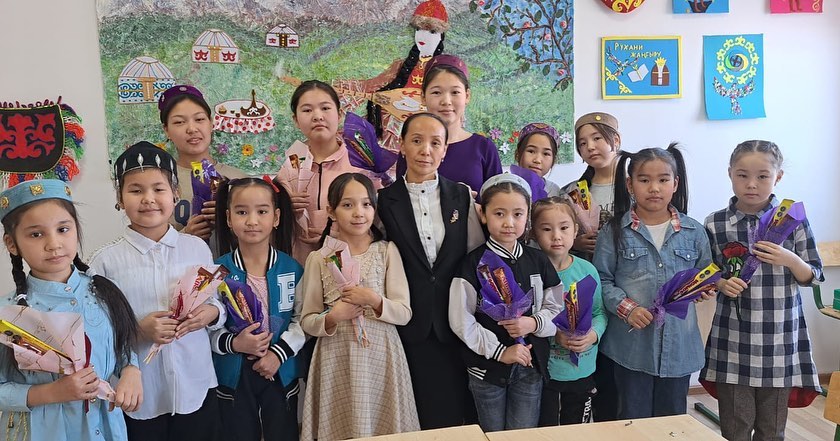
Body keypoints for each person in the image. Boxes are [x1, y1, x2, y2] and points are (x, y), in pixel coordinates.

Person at [90, 142, 226, 441]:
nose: (148, 199)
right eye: (136, 190)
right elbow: (96, 333)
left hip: (195, 384)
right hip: (140, 394)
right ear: (119, 198)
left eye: (158, 189)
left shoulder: (197, 248)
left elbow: (216, 303)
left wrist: (210, 313)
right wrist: (138, 331)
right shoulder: (104, 263)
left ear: (175, 193)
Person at [0, 179, 142, 441]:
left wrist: (131, 370)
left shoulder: (103, 292)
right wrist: (51, 393)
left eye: (63, 229)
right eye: (36, 234)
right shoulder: (7, 314)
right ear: (11, 243)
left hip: (106, 427)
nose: (54, 243)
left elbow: (121, 346)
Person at [701, 140, 823, 441]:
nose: (751, 184)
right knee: (735, 427)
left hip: (780, 340)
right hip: (733, 339)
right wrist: (720, 283)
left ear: (777, 177)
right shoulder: (715, 223)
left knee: (772, 428)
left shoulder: (794, 221)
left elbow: (813, 276)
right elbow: (707, 274)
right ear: (730, 174)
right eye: (742, 175)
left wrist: (790, 259)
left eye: (763, 176)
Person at [378, 112, 484, 429]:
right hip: (408, 321)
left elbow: (475, 255)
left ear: (445, 150)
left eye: (435, 143)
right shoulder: (384, 200)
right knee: (413, 414)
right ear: (402, 145)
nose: (426, 150)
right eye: (416, 141)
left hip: (456, 321)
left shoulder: (461, 196)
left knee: (454, 413)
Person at [592, 145, 714, 420]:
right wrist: (628, 309)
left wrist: (703, 289)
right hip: (631, 349)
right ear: (630, 184)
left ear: (675, 184)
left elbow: (705, 274)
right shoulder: (614, 231)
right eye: (644, 180)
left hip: (678, 347)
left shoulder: (694, 232)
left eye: (663, 179)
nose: (654, 188)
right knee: (632, 420)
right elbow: (601, 279)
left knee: (672, 422)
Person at [299, 173, 419, 440]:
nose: (358, 213)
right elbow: (307, 320)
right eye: (347, 205)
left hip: (382, 355)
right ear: (331, 211)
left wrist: (374, 300)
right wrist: (332, 317)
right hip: (336, 355)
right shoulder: (319, 258)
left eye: (366, 204)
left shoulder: (386, 251)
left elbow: (404, 313)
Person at [449, 174, 562, 432]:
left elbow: (556, 305)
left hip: (530, 365)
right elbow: (460, 319)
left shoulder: (538, 260)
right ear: (483, 214)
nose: (509, 223)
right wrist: (500, 351)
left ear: (527, 216)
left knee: (522, 432)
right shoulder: (471, 264)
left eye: (518, 214)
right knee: (491, 432)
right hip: (487, 369)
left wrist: (534, 323)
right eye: (499, 214)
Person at [209, 177, 304, 441]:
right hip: (233, 373)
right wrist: (234, 343)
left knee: (283, 434)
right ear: (228, 218)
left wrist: (278, 354)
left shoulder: (292, 269)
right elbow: (206, 327)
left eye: (262, 211)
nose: (252, 221)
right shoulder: (217, 271)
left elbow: (303, 320)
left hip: (279, 369)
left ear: (276, 217)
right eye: (242, 212)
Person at [561, 111, 625, 421]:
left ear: (616, 140)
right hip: (587, 289)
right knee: (592, 364)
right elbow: (558, 232)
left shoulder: (634, 184)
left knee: (619, 370)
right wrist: (575, 242)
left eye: (597, 138)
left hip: (625, 285)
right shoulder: (574, 190)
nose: (590, 147)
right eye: (583, 143)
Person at [276, 80, 382, 265]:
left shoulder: (361, 165)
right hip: (298, 266)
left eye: (325, 108)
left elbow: (377, 220)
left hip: (350, 266)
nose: (317, 116)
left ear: (339, 114)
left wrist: (335, 232)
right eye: (307, 110)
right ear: (296, 120)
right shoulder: (289, 166)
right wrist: (284, 205)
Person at [327, 0, 449, 153]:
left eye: (431, 32)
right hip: (392, 118)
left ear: (441, 37)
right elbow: (372, 85)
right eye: (419, 29)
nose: (422, 36)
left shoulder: (443, 71)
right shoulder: (400, 65)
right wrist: (339, 88)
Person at [530, 197, 606, 426]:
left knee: (577, 429)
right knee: (547, 429)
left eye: (564, 228)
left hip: (582, 370)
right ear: (533, 233)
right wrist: (555, 334)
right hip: (544, 372)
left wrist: (592, 336)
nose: (556, 236)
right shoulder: (531, 272)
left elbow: (599, 313)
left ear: (575, 230)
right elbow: (526, 321)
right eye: (546, 229)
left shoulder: (587, 270)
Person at [397, 54, 502, 197]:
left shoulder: (483, 148)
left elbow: (499, 201)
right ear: (423, 97)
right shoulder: (413, 148)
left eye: (455, 92)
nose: (446, 101)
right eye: (436, 92)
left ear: (467, 96)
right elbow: (400, 200)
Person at [157, 84, 247, 243]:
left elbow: (264, 236)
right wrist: (185, 237)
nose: (192, 129)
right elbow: (150, 245)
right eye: (179, 122)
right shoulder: (159, 183)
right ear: (166, 130)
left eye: (199, 119)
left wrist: (230, 221)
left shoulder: (240, 180)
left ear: (211, 123)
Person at [514, 123, 563, 197]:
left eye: (546, 154)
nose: (537, 160)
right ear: (518, 154)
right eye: (531, 151)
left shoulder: (554, 191)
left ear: (553, 160)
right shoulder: (504, 186)